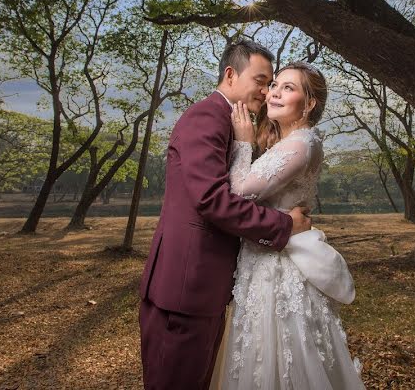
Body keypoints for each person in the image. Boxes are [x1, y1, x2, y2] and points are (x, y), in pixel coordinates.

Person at [138, 40, 313, 390]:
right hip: (185, 287)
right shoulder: (207, 116)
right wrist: (284, 225)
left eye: (272, 84)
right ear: (231, 75)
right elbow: (213, 200)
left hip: (204, 286)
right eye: (261, 81)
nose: (266, 92)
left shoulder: (232, 121)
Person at [212, 61, 365, 390]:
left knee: (281, 356)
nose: (274, 93)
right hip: (262, 261)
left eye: (288, 88)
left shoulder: (300, 144)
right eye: (275, 85)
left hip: (277, 271)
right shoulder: (290, 142)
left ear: (309, 104)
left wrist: (241, 141)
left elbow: (239, 193)